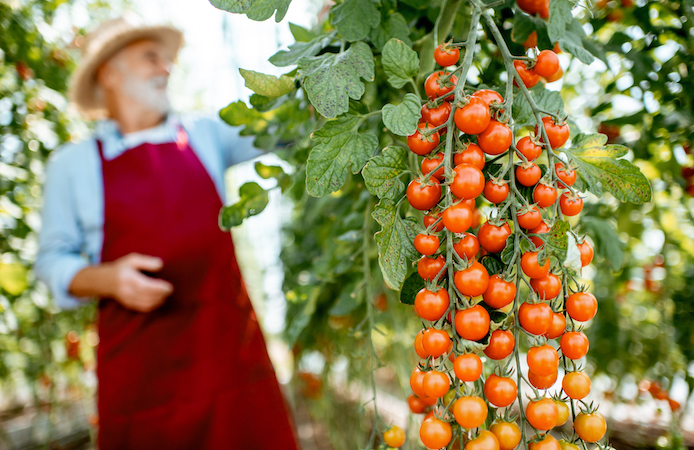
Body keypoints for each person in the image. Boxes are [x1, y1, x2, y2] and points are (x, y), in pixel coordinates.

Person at [34, 16, 298, 449]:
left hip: (229, 363)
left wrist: (331, 49)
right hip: (143, 380)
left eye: (166, 60)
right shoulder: (74, 165)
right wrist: (109, 278)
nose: (165, 69)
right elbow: (51, 261)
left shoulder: (204, 134)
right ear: (110, 73)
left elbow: (286, 125)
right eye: (150, 58)